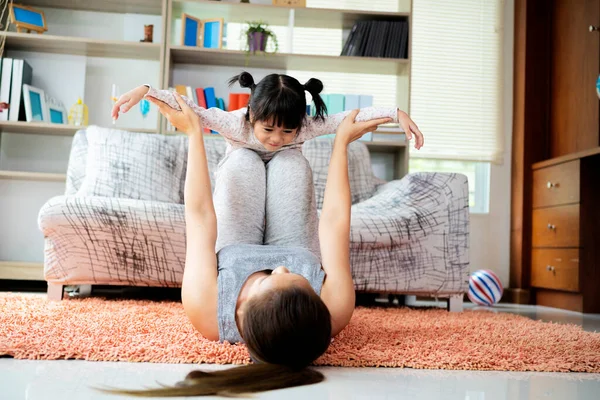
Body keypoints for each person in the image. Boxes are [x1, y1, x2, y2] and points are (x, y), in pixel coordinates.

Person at [105, 93, 393, 397]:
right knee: (289, 162)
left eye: (270, 279)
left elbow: (200, 215)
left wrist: (193, 134)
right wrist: (341, 144)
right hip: (295, 239)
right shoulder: (331, 312)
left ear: (240, 312)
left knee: (243, 159)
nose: (280, 267)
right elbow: (334, 220)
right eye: (301, 280)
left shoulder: (206, 312)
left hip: (237, 242)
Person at [111, 72, 424, 161]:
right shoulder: (235, 122)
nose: (277, 138)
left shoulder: (303, 128)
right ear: (251, 114)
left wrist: (395, 113)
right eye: (269, 129)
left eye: (287, 132)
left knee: (292, 166)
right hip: (242, 169)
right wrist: (146, 90)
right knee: (243, 165)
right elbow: (189, 107)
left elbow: (347, 117)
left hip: (283, 179)